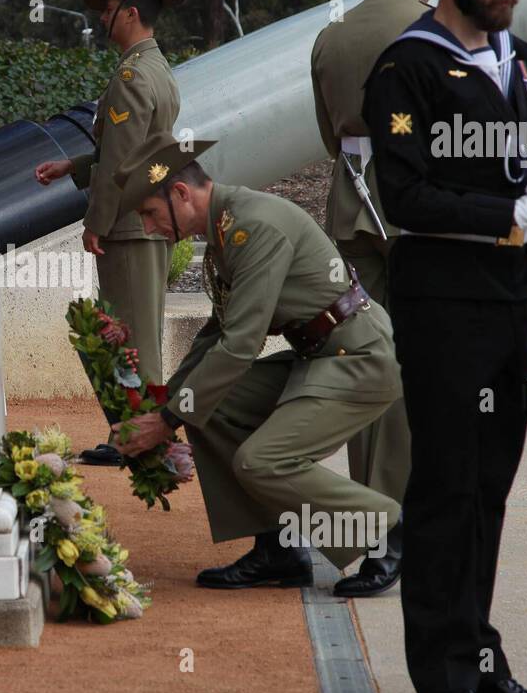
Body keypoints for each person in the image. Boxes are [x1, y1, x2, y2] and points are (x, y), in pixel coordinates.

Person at [362, 0, 527, 693]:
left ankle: (479, 658)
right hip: (443, 309)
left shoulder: (523, 64)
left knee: (487, 494)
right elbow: (405, 196)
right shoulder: (407, 65)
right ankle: (446, 680)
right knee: (448, 493)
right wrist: (509, 213)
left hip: (504, 307)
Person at [110, 135, 404, 587]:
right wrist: (167, 404)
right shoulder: (227, 229)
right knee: (211, 408)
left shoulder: (252, 227)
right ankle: (279, 551)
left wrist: (166, 421)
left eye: (150, 213)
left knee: (260, 462)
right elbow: (216, 334)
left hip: (360, 360)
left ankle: (389, 530)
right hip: (321, 358)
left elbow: (240, 346)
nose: (149, 228)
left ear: (182, 194)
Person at [309, 0, 437, 597]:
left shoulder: (333, 34)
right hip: (419, 211)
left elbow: (333, 138)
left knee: (362, 362)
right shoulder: (434, 31)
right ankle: (411, 526)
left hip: (353, 210)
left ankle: (371, 526)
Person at [33, 0, 183, 466]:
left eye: (110, 10)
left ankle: (144, 439)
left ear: (132, 13)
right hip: (147, 219)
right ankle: (135, 434)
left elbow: (120, 161)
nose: (102, 17)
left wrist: (95, 221)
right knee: (135, 333)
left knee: (130, 337)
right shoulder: (157, 69)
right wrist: (72, 166)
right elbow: (133, 150)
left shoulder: (130, 76)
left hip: (129, 224)